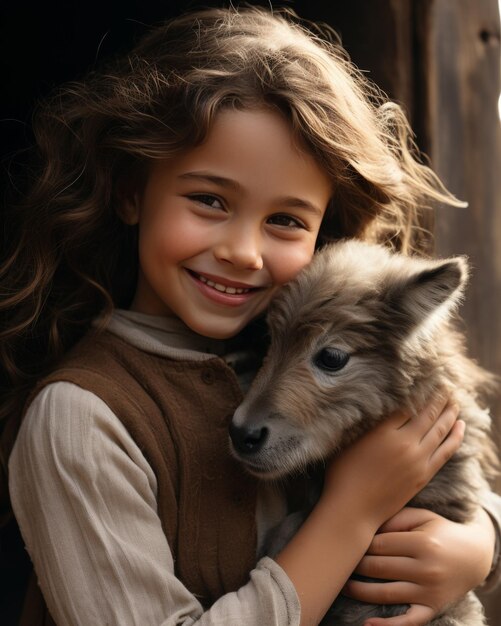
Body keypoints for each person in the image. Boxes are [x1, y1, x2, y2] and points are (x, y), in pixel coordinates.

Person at [0, 7, 499, 626]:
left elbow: (442, 452)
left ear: (322, 236)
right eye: (209, 200)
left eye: (286, 220)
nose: (243, 251)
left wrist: (479, 541)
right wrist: (351, 515)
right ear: (131, 191)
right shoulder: (80, 419)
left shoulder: (286, 346)